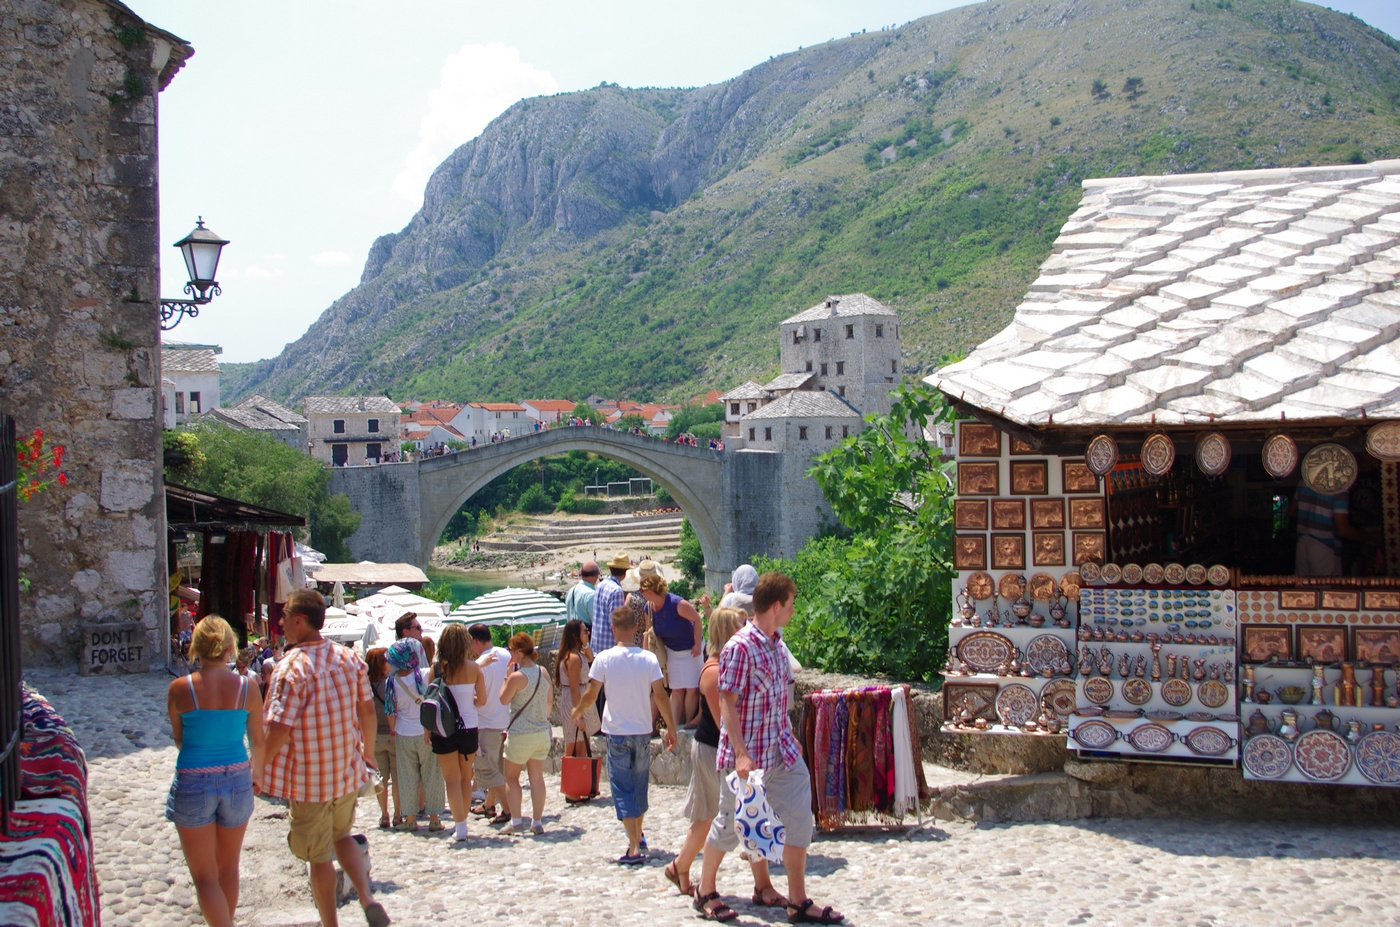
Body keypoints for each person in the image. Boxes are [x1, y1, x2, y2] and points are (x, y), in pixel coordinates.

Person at [694, 573, 842, 925]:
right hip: (749, 759)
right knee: (730, 826)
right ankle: (705, 890)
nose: (793, 611)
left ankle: (798, 900)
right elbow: (726, 701)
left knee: (798, 821)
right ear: (776, 606)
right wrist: (742, 754)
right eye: (790, 605)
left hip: (783, 752)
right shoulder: (740, 647)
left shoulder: (777, 643)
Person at [260, 590, 389, 927]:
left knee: (318, 858)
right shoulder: (348, 659)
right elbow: (367, 712)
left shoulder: (290, 668)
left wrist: (256, 770)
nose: (281, 621)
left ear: (300, 621)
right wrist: (369, 753)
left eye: (285, 615)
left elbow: (280, 729)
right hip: (345, 770)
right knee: (342, 836)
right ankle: (366, 896)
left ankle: (330, 923)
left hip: (310, 779)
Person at [166, 616, 265, 927]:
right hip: (237, 777)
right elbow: (258, 740)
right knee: (228, 868)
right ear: (229, 649)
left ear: (196, 648)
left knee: (204, 876)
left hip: (194, 778)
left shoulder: (180, 688)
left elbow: (180, 738)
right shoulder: (247, 687)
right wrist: (257, 775)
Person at [571, 606, 678, 865]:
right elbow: (661, 695)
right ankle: (638, 834)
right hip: (642, 731)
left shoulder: (605, 659)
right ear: (636, 628)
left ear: (613, 628)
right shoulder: (648, 659)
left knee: (622, 788)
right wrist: (671, 728)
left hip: (617, 732)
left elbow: (591, 693)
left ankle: (633, 847)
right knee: (639, 786)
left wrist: (578, 711)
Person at [425, 624, 488, 841]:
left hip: (443, 727)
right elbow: (483, 700)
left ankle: (459, 826)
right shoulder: (474, 669)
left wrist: (427, 730)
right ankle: (464, 825)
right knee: (465, 777)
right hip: (469, 727)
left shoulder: (436, 670)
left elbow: (430, 701)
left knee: (450, 779)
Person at [384, 639, 445, 833]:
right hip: (426, 731)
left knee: (407, 777)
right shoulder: (426, 675)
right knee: (432, 775)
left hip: (403, 732)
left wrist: (393, 732)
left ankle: (410, 819)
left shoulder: (391, 681)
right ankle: (434, 818)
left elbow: (391, 711)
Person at [498, 632, 553, 835]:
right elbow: (549, 700)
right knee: (537, 778)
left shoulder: (516, 677)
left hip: (520, 733)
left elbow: (503, 700)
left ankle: (516, 820)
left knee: (511, 777)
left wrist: (506, 677)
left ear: (519, 652)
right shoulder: (543, 672)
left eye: (512, 650)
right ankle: (537, 822)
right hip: (540, 732)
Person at [638, 573, 705, 728]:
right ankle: (673, 726)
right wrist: (645, 653)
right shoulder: (648, 607)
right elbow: (648, 631)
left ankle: (688, 723)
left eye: (643, 589)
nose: (641, 592)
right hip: (672, 651)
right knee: (676, 689)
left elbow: (697, 619)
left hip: (691, 650)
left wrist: (696, 644)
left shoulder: (677, 603)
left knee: (692, 689)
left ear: (651, 590)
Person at [468, 623, 512, 825]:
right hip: (504, 718)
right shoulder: (506, 654)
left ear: (475, 642)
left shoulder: (479, 664)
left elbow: (476, 696)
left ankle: (508, 809)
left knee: (488, 769)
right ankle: (489, 804)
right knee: (496, 766)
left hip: (484, 721)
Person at [556, 618, 601, 803]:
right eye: (584, 631)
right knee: (572, 745)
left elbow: (591, 659)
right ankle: (570, 790)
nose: (587, 633)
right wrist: (579, 714)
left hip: (582, 697)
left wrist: (587, 644)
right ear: (575, 634)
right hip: (575, 701)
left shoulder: (578, 653)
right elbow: (574, 688)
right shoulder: (572, 658)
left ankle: (578, 786)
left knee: (582, 743)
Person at [364, 648, 402, 829]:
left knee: (381, 780)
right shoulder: (390, 683)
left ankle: (384, 814)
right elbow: (393, 710)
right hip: (392, 734)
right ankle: (397, 814)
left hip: (374, 737)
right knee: (397, 778)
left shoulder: (365, 685)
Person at [591, 551, 631, 653]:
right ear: (625, 572)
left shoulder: (600, 585)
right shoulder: (617, 591)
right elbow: (617, 622)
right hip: (609, 647)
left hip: (596, 645)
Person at [566, 561, 599, 630]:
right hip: (586, 639)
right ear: (596, 575)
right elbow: (597, 624)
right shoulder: (591, 595)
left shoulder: (572, 590)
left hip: (572, 637)